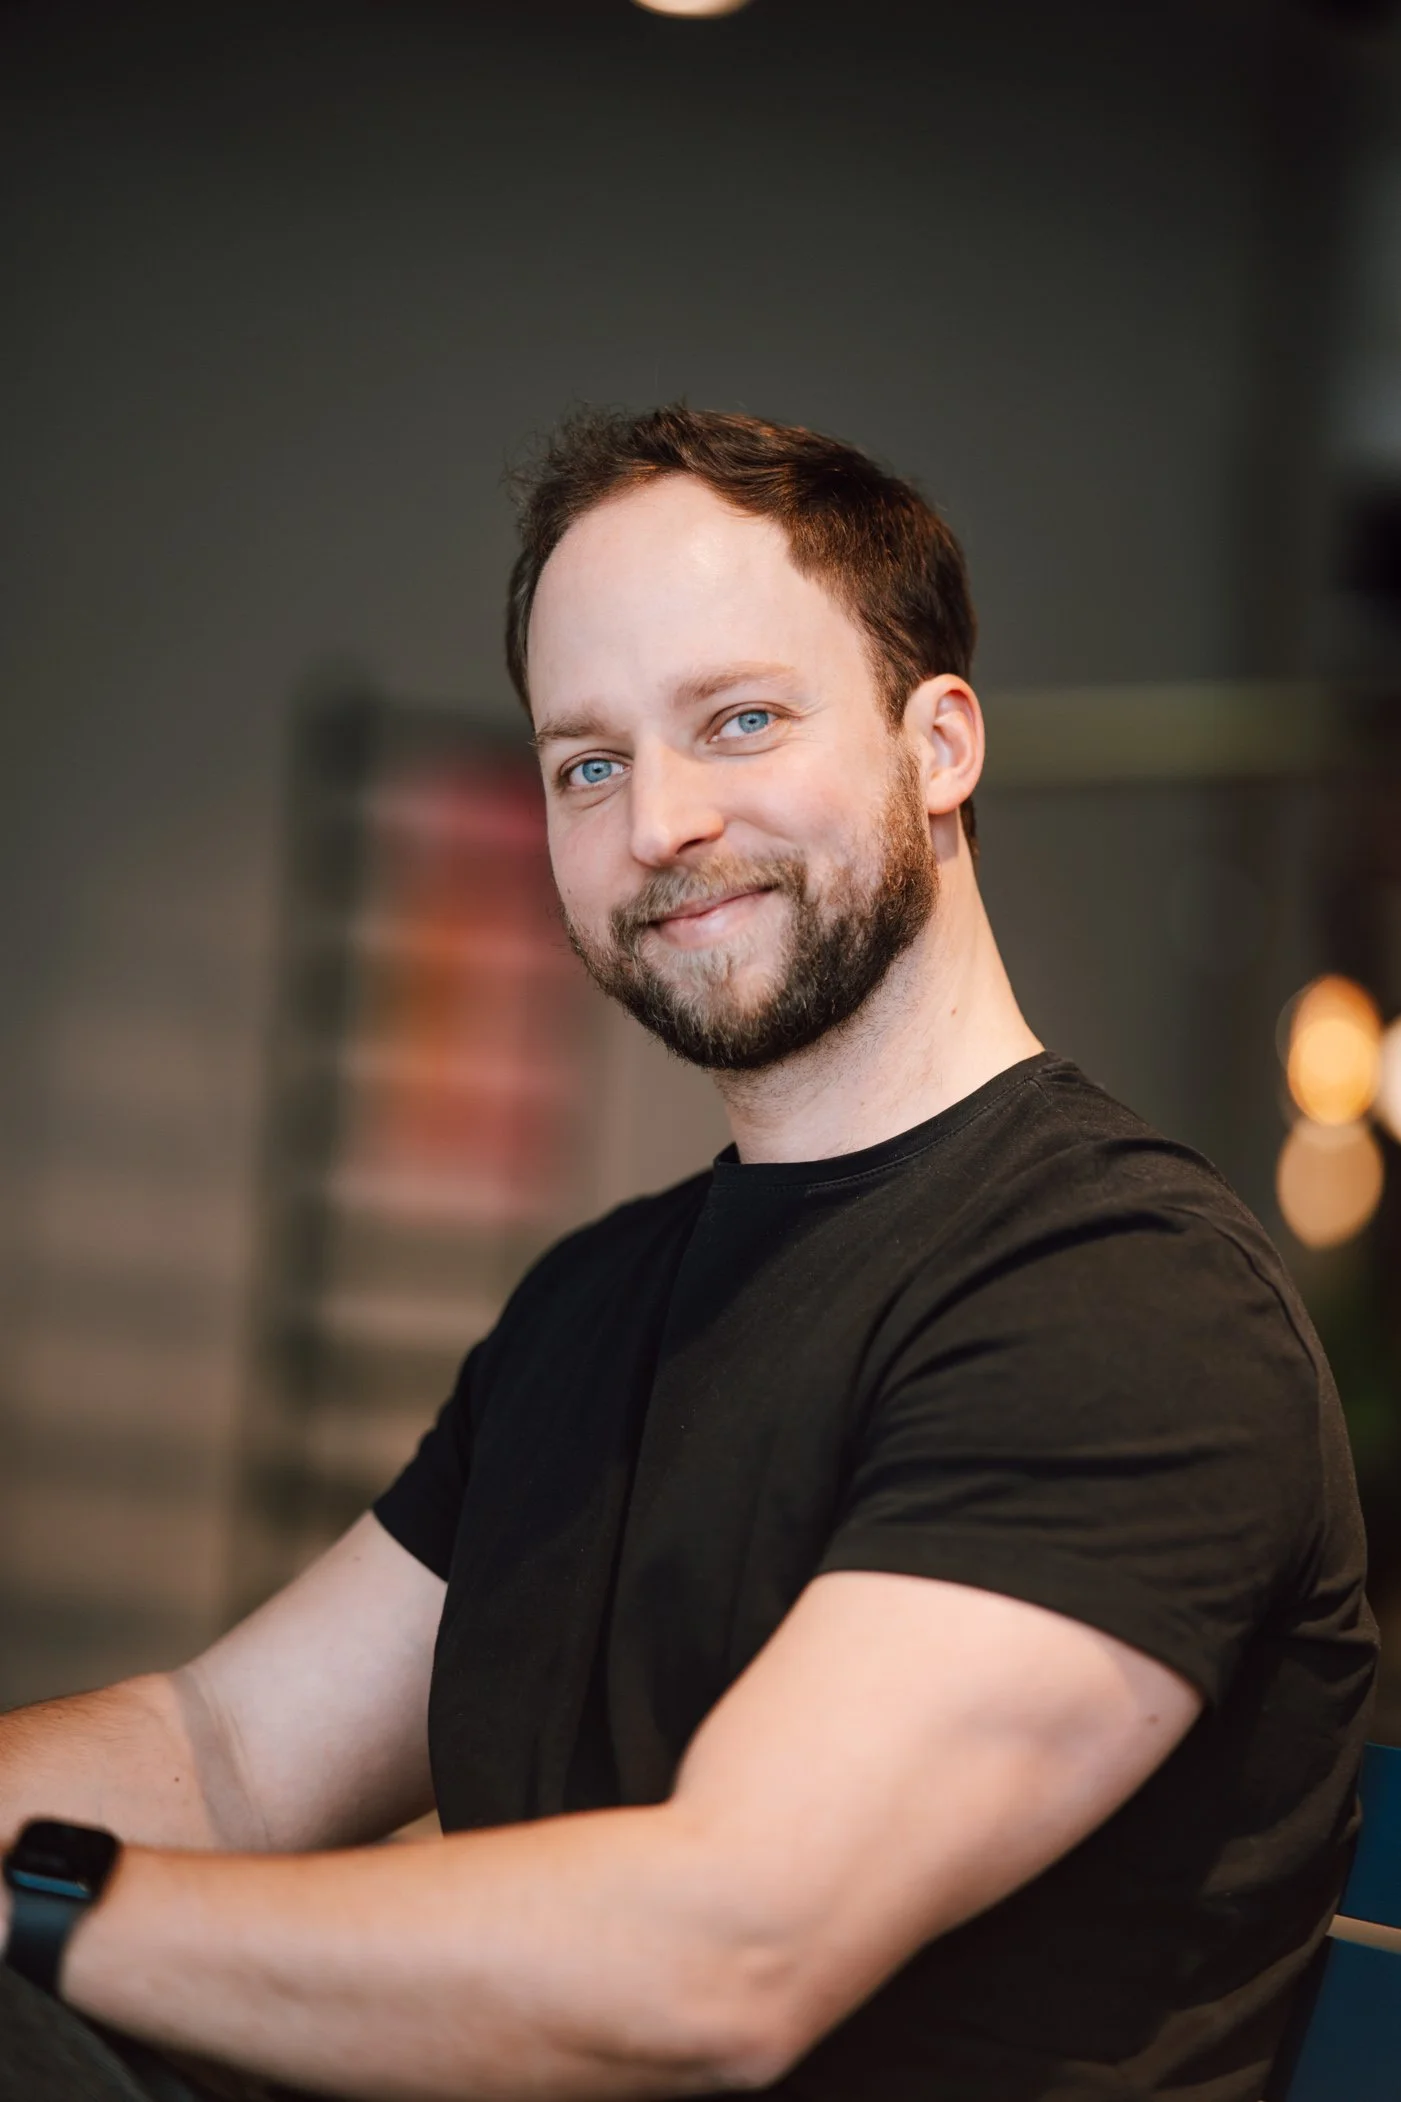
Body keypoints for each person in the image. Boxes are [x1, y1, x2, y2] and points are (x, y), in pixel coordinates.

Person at [0, 406, 1377, 2102]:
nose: (658, 820)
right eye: (589, 760)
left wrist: (51, 1919)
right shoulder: (595, 1305)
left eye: (738, 719)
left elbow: (721, 1952)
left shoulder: (1124, 1297)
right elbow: (223, 1755)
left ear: (938, 742)